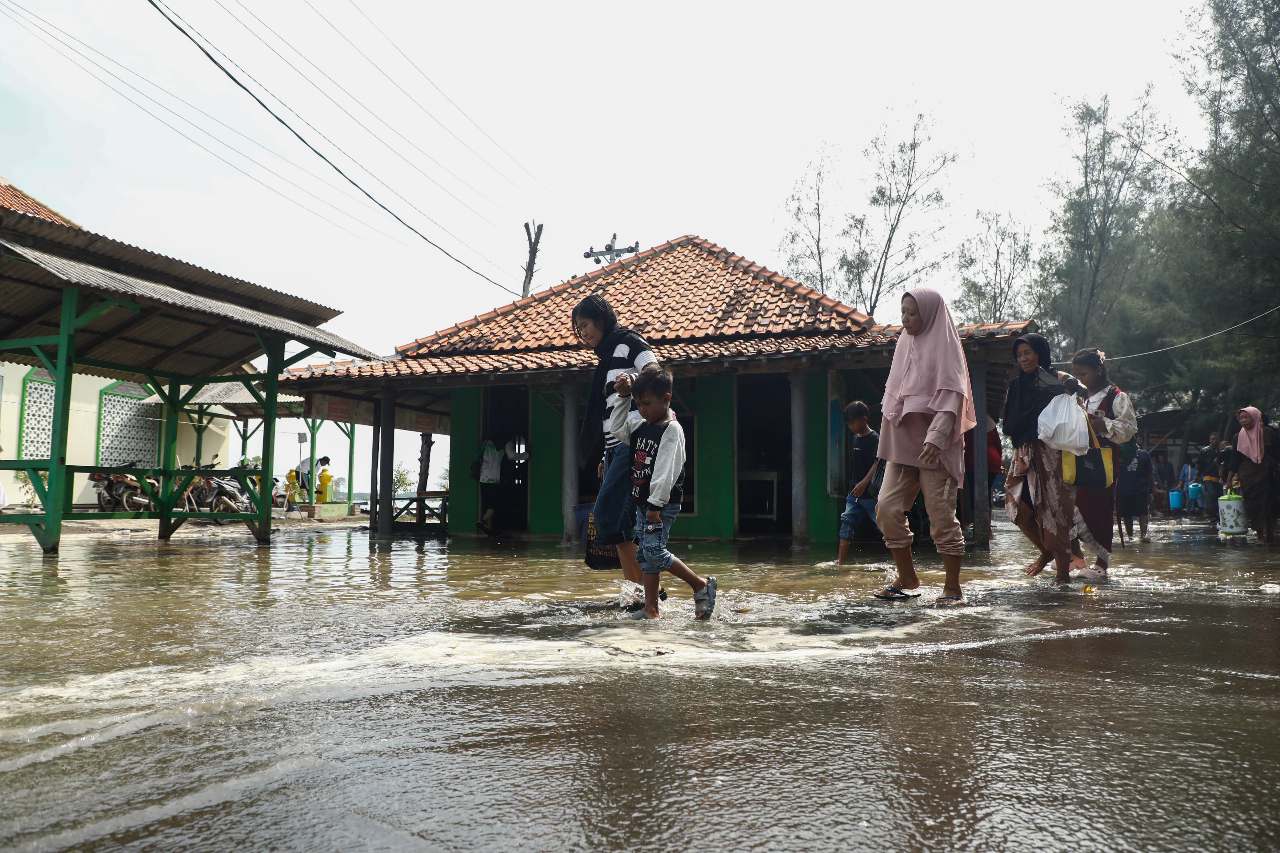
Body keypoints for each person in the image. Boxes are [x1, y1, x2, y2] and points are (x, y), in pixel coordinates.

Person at [872, 289, 975, 606]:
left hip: (935, 444)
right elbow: (896, 392)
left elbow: (952, 394)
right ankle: (907, 577)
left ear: (928, 314)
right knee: (886, 508)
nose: (906, 319)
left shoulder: (946, 346)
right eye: (903, 312)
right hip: (903, 440)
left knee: (941, 516)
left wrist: (937, 437)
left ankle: (952, 587)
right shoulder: (904, 342)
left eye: (912, 313)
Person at [610, 366, 717, 620]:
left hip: (659, 505)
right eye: (639, 404)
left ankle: (700, 585)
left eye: (646, 403)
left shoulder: (671, 430)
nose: (642, 409)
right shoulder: (638, 423)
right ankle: (651, 609)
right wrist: (623, 400)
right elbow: (616, 428)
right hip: (642, 503)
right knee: (646, 555)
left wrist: (655, 507)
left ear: (667, 398)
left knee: (655, 551)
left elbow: (665, 471)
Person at [573, 295, 658, 593]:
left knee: (608, 517)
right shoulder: (606, 357)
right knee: (620, 523)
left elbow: (653, 372)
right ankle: (640, 592)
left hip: (631, 442)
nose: (583, 333)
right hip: (613, 448)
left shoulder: (628, 342)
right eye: (578, 329)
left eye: (585, 325)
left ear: (601, 319)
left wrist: (632, 379)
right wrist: (603, 455)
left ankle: (648, 589)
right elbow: (608, 410)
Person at [1002, 333, 1076, 583]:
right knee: (1017, 508)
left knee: (1054, 511)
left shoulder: (1056, 380)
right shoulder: (1016, 385)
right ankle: (1046, 552)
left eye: (1028, 353)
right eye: (1019, 354)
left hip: (1051, 454)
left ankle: (1062, 577)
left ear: (1040, 354)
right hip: (1023, 452)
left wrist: (1067, 384)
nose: (1023, 358)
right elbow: (1009, 424)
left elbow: (1078, 399)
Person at [1067, 348, 1138, 580]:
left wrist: (1104, 425)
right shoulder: (1082, 398)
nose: (1081, 379)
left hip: (1104, 464)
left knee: (1101, 508)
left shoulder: (1118, 397)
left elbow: (1128, 430)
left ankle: (1101, 563)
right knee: (1071, 507)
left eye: (1084, 374)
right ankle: (1076, 559)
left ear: (1098, 370)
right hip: (1078, 460)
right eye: (1076, 374)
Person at [837, 400, 882, 564]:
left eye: (852, 422)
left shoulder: (875, 439)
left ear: (864, 419)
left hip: (871, 494)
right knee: (846, 522)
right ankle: (840, 563)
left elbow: (877, 464)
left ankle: (903, 565)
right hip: (854, 493)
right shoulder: (854, 439)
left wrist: (864, 483)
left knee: (886, 527)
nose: (850, 426)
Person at [1226, 406, 1279, 544]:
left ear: (1255, 417)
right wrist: (1229, 479)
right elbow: (1234, 460)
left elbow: (1277, 453)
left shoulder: (1268, 433)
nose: (1243, 420)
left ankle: (1269, 535)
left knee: (1268, 505)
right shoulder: (1237, 437)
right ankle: (1260, 534)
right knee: (1252, 507)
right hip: (1248, 478)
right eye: (1241, 418)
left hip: (1268, 474)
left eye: (1246, 417)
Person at [477, 436, 527, 535]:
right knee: (493, 505)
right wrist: (526, 455)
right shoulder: (506, 443)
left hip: (483, 478)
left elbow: (479, 456)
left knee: (488, 504)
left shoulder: (486, 443)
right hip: (494, 479)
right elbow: (511, 456)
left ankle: (489, 528)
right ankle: (482, 521)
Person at [1116, 443, 1154, 543]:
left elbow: (1149, 473)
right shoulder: (1119, 454)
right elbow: (1150, 474)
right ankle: (1137, 536)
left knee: (1136, 514)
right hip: (1128, 490)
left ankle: (1135, 536)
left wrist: (1150, 491)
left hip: (1134, 490)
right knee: (1136, 514)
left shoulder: (1143, 454)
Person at [1200, 433, 1224, 523]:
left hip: (1218, 476)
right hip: (1207, 476)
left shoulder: (1220, 451)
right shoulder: (1204, 450)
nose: (1214, 441)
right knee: (1211, 494)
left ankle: (1217, 515)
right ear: (1210, 440)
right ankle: (1212, 514)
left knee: (1219, 495)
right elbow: (1200, 464)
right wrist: (1200, 475)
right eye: (1212, 439)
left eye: (1215, 439)